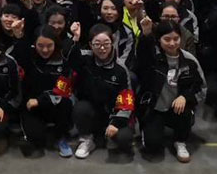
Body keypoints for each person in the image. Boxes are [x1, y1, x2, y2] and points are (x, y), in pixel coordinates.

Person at [136, 17, 206, 163]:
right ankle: (147, 129)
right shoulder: (153, 58)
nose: (172, 43)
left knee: (185, 110)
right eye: (167, 39)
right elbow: (142, 55)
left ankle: (180, 141)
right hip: (155, 108)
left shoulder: (189, 60)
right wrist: (146, 34)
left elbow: (200, 86)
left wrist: (185, 97)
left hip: (177, 109)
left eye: (176, 38)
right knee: (152, 146)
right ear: (159, 40)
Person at [68, 22, 135, 159]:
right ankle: (87, 139)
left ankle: (105, 134)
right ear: (90, 44)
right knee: (81, 108)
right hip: (91, 111)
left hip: (112, 113)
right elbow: (70, 58)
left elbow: (126, 99)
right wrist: (75, 38)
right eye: (97, 44)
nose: (102, 48)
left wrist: (116, 123)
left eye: (106, 43)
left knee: (125, 139)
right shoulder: (85, 59)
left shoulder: (121, 69)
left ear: (112, 42)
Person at [11, 21, 74, 158]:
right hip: (31, 106)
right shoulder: (29, 57)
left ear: (55, 44)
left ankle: (60, 137)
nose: (45, 50)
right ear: (35, 44)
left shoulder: (63, 61)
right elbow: (17, 56)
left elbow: (61, 90)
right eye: (40, 45)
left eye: (49, 45)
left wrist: (40, 100)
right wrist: (18, 36)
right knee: (37, 140)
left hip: (53, 103)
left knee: (66, 103)